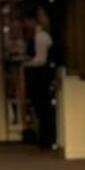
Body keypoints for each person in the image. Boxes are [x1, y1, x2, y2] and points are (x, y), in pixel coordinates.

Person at [23, 8, 56, 148]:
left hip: (40, 76)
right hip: (40, 75)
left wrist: (26, 63)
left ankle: (47, 138)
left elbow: (41, 59)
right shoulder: (40, 35)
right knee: (42, 107)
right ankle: (45, 137)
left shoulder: (40, 36)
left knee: (42, 107)